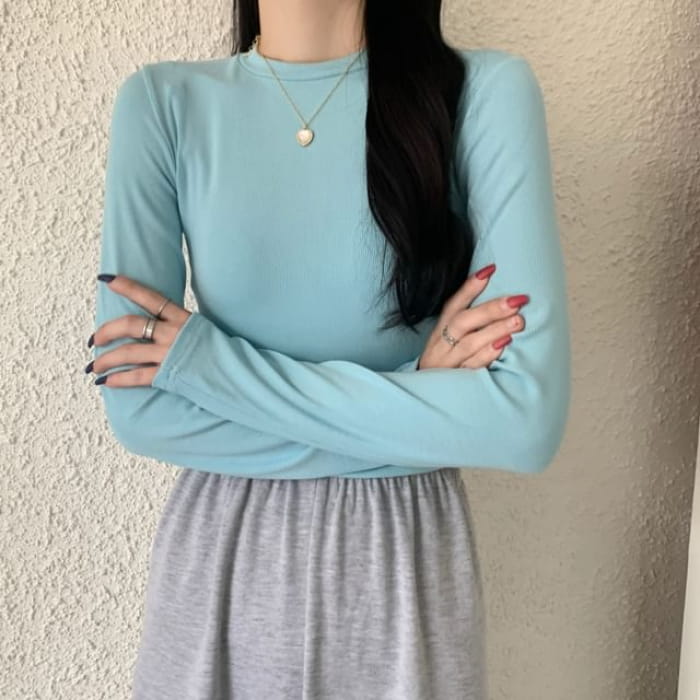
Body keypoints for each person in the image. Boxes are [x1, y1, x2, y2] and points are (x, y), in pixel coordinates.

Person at [86, 0, 571, 697]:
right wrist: (421, 392)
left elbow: (524, 423)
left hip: (400, 564)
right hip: (224, 560)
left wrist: (209, 367)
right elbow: (143, 413)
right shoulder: (163, 103)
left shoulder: (484, 94)